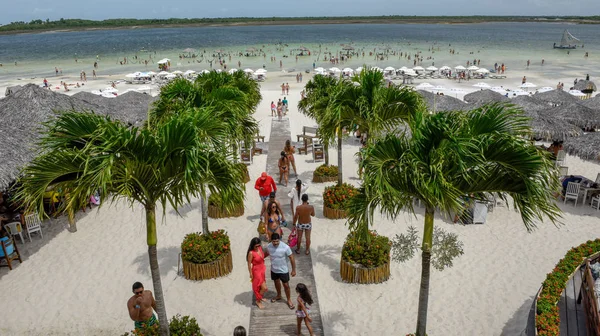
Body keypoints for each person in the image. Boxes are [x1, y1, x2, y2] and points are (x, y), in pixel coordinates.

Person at [264, 233, 296, 309]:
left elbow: (291, 258)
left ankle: (289, 300)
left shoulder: (285, 247)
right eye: (274, 241)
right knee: (276, 282)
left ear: (279, 240)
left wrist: (293, 270)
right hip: (274, 269)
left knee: (286, 286)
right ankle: (278, 295)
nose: (275, 243)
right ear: (271, 240)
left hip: (283, 270)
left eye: (277, 241)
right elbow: (266, 254)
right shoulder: (269, 246)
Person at [247, 237, 267, 309]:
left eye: (259, 245)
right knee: (264, 287)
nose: (258, 247)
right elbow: (249, 264)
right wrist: (250, 273)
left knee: (261, 286)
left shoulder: (260, 249)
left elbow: (262, 257)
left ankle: (260, 297)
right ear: (253, 245)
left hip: (262, 269)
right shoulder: (251, 253)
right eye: (256, 246)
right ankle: (258, 301)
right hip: (256, 271)